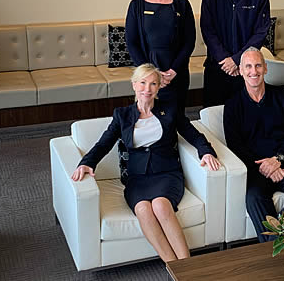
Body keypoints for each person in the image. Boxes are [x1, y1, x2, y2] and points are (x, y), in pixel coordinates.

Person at [71, 64, 220, 262]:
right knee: (142, 209)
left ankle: (187, 266)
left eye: (152, 84)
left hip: (167, 173)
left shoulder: (170, 110)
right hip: (137, 178)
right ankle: (173, 267)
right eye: (142, 83)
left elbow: (193, 134)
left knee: (160, 205)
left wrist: (206, 152)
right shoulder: (122, 115)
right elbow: (103, 143)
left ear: (159, 87)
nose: (147, 89)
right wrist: (87, 163)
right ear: (134, 85)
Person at [223, 47, 284, 242]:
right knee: (253, 198)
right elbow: (235, 146)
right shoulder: (233, 105)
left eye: (258, 65)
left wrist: (278, 159)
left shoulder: (283, 96)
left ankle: (281, 243)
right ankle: (280, 245)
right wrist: (265, 166)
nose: (254, 71)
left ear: (266, 68)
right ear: (241, 70)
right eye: (248, 67)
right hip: (256, 168)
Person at [200, 0, 271, 107]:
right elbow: (207, 30)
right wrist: (225, 60)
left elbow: (260, 33)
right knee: (213, 116)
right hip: (217, 66)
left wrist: (237, 59)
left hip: (246, 69)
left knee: (245, 117)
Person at [125, 0, 196, 113]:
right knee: (148, 117)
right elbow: (131, 42)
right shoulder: (136, 5)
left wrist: (173, 71)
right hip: (147, 77)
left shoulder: (182, 4)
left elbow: (189, 41)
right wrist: (152, 74)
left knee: (176, 118)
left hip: (176, 74)